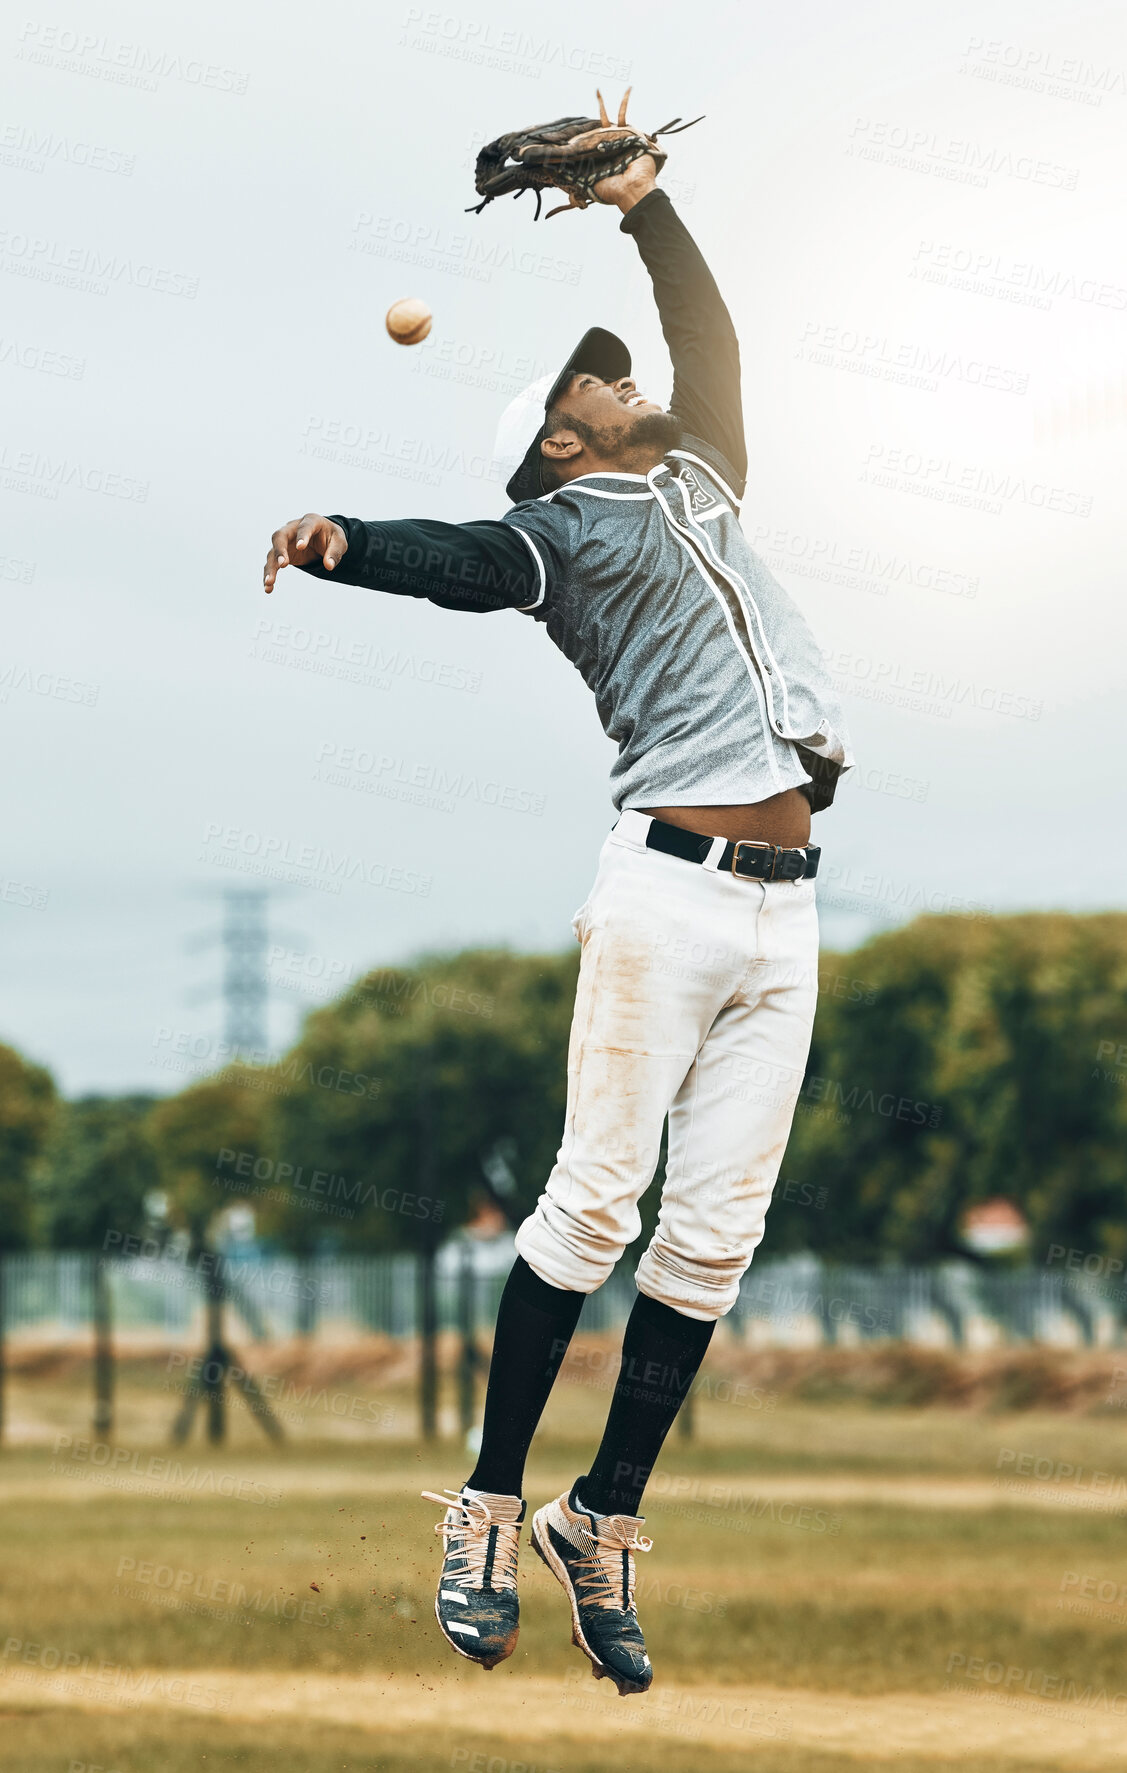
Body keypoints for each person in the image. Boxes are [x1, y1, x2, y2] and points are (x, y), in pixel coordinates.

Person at [264, 153, 852, 1696]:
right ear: (556, 438)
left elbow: (709, 335)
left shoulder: (704, 473)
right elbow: (466, 563)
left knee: (713, 1239)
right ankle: (484, 1503)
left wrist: (645, 203)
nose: (625, 382)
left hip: (786, 922)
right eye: (595, 386)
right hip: (663, 892)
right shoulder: (566, 532)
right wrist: (352, 540)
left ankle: (602, 1518)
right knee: (593, 1206)